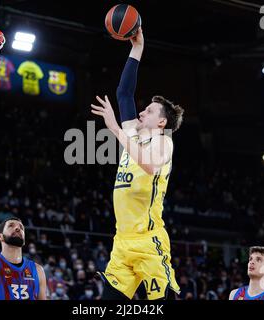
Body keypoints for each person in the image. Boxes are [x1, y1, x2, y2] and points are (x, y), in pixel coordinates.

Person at [91, 27, 184, 300]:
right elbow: (124, 93)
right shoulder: (134, 134)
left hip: (149, 242)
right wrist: (137, 48)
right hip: (122, 243)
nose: (142, 111)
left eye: (150, 111)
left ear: (162, 122)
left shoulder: (163, 142)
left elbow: (150, 166)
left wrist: (115, 129)